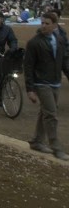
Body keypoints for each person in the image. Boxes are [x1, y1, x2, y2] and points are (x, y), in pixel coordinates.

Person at [24, 12, 69, 161]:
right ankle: (56, 147)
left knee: (45, 112)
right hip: (41, 83)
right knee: (51, 114)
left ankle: (37, 140)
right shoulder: (34, 43)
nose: (43, 26)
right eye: (42, 23)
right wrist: (30, 89)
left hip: (55, 82)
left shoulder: (60, 40)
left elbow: (64, 62)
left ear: (55, 25)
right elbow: (28, 67)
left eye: (47, 23)